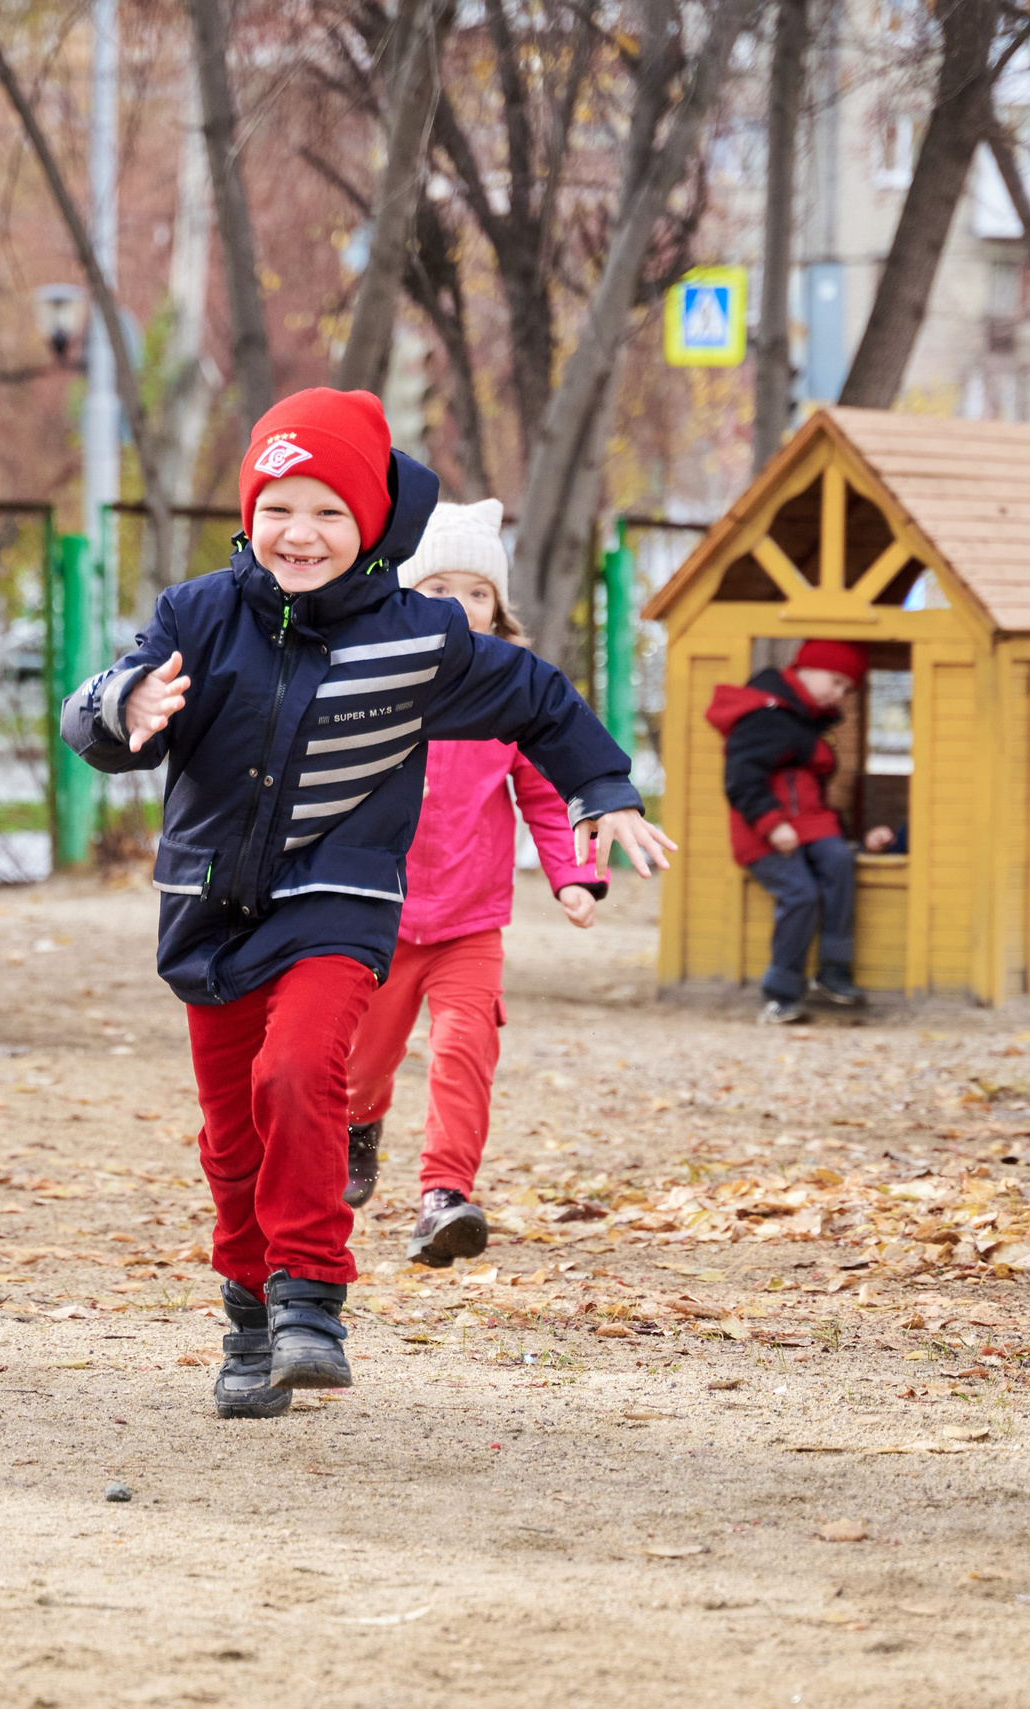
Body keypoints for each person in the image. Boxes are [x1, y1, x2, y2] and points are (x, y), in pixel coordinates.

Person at [61, 390, 674, 1419]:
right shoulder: (196, 614)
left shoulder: (419, 636)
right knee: (231, 1136)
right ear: (250, 510)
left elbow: (537, 696)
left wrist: (600, 788)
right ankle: (250, 1318)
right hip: (209, 907)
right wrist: (121, 707)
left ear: (373, 525)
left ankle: (311, 1300)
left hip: (336, 897)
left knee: (303, 1072)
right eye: (280, 507)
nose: (301, 533)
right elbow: (108, 700)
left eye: (329, 513)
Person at [340, 500, 607, 1269]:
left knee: (465, 1047)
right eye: (436, 588)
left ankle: (443, 1196)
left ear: (498, 615)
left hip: (469, 921)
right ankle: (359, 1128)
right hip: (376, 915)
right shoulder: (369, 683)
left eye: (477, 592)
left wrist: (576, 876)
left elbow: (552, 796)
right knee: (363, 1057)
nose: (457, 605)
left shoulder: (509, 699)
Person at [705, 638, 899, 1025]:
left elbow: (810, 791)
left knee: (840, 861)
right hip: (765, 832)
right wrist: (771, 825)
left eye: (847, 690)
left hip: (811, 826)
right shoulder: (766, 715)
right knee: (801, 894)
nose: (839, 695)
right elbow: (741, 779)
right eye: (836, 682)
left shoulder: (807, 720)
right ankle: (780, 993)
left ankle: (834, 970)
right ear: (807, 669)